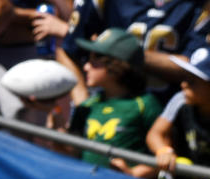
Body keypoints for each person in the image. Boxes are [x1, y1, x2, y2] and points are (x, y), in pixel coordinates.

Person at [58, 0, 209, 105]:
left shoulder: (202, 7)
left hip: (169, 117)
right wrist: (81, 101)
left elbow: (199, 69)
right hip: (105, 108)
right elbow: (69, 49)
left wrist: (123, 51)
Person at [67, 28, 161, 178]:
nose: (85, 67)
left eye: (93, 62)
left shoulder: (145, 104)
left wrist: (134, 173)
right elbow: (73, 153)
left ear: (116, 66)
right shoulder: (87, 107)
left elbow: (161, 158)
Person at [147, 47, 210, 179]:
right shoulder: (181, 99)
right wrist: (164, 150)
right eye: (185, 77)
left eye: (192, 81)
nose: (183, 84)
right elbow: (156, 133)